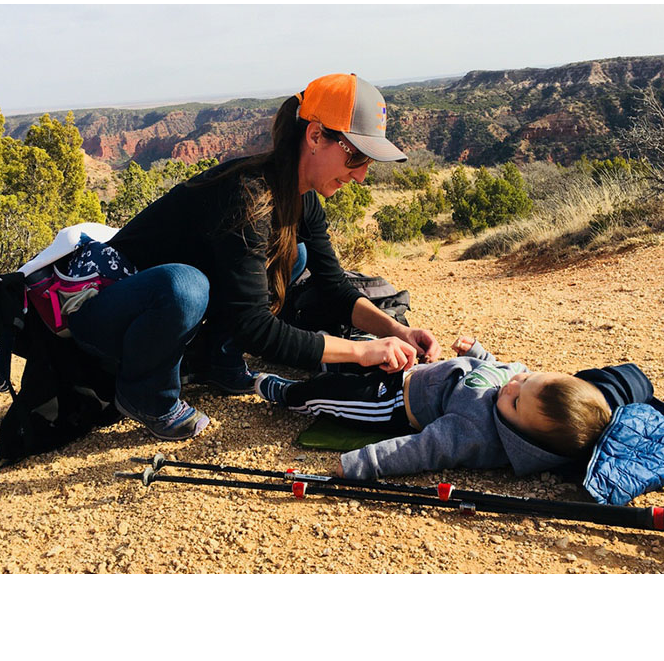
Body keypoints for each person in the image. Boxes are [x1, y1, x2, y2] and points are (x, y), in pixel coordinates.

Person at [67, 73, 442, 442]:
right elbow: (255, 327)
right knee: (186, 286)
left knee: (293, 255)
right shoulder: (248, 195)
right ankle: (146, 394)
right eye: (356, 157)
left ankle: (219, 362)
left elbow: (334, 287)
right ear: (314, 136)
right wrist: (362, 352)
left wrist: (396, 331)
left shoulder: (302, 196)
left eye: (368, 162)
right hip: (109, 314)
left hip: (155, 315)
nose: (360, 175)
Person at [253, 333, 615, 480]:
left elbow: (419, 450)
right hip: (413, 370)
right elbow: (500, 369)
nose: (513, 385)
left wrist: (359, 464)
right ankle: (321, 358)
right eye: (528, 378)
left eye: (517, 402)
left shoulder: (475, 431)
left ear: (520, 436)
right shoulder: (520, 382)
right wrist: (477, 354)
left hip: (390, 404)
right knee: (361, 345)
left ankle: (288, 395)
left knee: (327, 394)